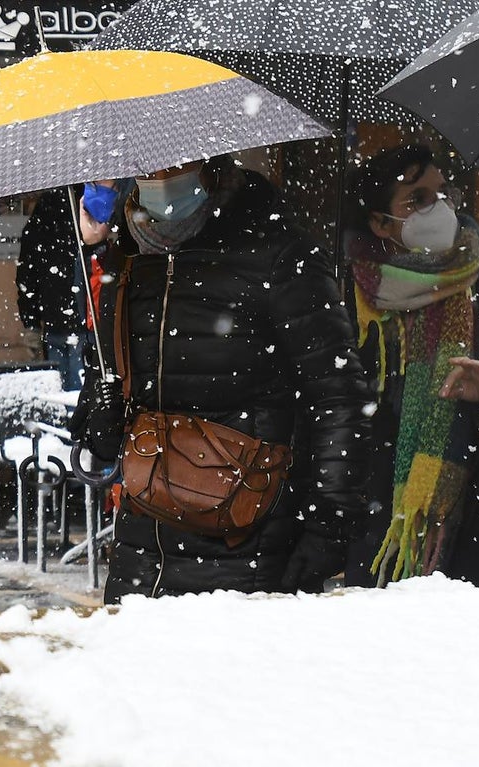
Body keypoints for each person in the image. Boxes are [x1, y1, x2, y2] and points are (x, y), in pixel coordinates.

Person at [70, 156, 372, 604]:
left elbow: (337, 396)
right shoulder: (128, 258)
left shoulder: (278, 253)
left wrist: (327, 526)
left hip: (250, 544)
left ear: (209, 157)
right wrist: (100, 419)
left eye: (174, 162)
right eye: (148, 165)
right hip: (141, 549)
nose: (161, 178)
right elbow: (104, 383)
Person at [342, 143, 479, 586]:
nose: (438, 208)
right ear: (381, 223)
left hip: (464, 526)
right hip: (371, 519)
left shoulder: (476, 278)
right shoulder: (352, 298)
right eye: (417, 199)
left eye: (442, 193)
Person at [16, 187, 88, 389]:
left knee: (59, 390)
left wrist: (31, 323)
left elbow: (26, 278)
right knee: (81, 388)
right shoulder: (84, 211)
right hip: (83, 318)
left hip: (53, 319)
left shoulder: (40, 221)